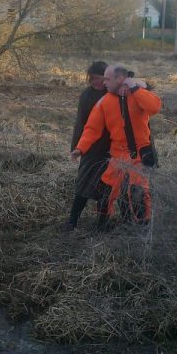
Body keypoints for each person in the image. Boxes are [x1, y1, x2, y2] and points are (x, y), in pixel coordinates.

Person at [71, 63, 161, 229]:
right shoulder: (104, 102)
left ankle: (142, 229)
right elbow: (92, 128)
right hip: (117, 156)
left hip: (138, 156)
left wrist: (135, 87)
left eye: (107, 79)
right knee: (106, 193)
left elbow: (154, 107)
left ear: (120, 79)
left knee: (138, 193)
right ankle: (102, 226)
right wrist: (80, 148)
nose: (104, 83)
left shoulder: (138, 94)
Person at [62, 61, 110, 233]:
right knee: (83, 184)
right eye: (92, 78)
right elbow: (80, 123)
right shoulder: (86, 96)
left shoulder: (114, 93)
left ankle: (101, 225)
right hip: (90, 146)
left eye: (98, 78)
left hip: (111, 147)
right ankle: (72, 222)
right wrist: (76, 147)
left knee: (106, 188)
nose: (94, 81)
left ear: (106, 77)